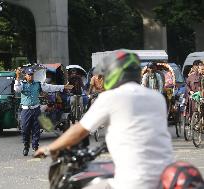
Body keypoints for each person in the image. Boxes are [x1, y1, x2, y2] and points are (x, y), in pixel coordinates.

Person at [35, 50, 174, 189]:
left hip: (134, 182)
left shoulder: (111, 97)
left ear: (114, 73)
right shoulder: (157, 98)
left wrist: (49, 148)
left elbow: (80, 130)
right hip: (165, 178)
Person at [14, 67, 73, 156]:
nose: (30, 76)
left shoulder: (38, 84)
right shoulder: (22, 84)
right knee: (25, 130)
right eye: (29, 75)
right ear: (25, 76)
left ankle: (35, 147)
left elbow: (49, 87)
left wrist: (63, 87)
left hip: (36, 109)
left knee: (36, 129)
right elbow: (17, 89)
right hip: (26, 110)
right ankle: (26, 146)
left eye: (32, 74)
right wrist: (17, 77)